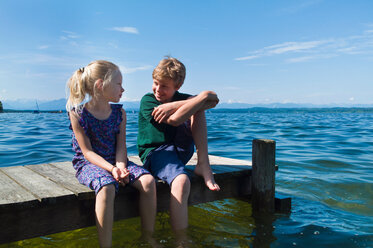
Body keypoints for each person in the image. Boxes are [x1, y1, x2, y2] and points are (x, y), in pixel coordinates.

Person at [66, 60, 156, 248]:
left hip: (116, 161)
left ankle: (148, 238)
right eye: (119, 84)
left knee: (148, 181)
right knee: (106, 186)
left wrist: (121, 167)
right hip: (90, 163)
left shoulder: (119, 113)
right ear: (100, 85)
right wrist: (112, 170)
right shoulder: (78, 114)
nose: (123, 89)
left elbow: (121, 147)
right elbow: (88, 152)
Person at [137, 57, 220, 235]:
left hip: (180, 150)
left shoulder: (179, 97)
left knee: (198, 107)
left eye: (164, 86)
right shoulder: (148, 101)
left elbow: (213, 99)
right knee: (182, 181)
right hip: (156, 153)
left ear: (178, 86)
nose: (158, 90)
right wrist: (200, 98)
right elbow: (174, 120)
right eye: (155, 83)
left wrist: (180, 103)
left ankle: (203, 164)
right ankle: (182, 241)